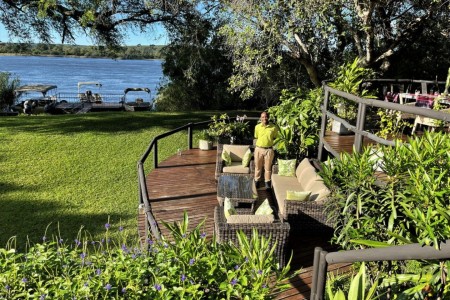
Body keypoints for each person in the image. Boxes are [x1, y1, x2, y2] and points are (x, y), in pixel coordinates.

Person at [254, 111, 278, 189]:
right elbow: (256, 136)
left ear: (268, 117)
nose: (264, 118)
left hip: (269, 150)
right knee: (258, 167)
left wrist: (271, 143)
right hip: (259, 149)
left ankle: (267, 182)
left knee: (268, 168)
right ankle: (257, 181)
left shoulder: (273, 127)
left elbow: (275, 137)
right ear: (260, 118)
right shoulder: (257, 127)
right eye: (263, 117)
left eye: (266, 117)